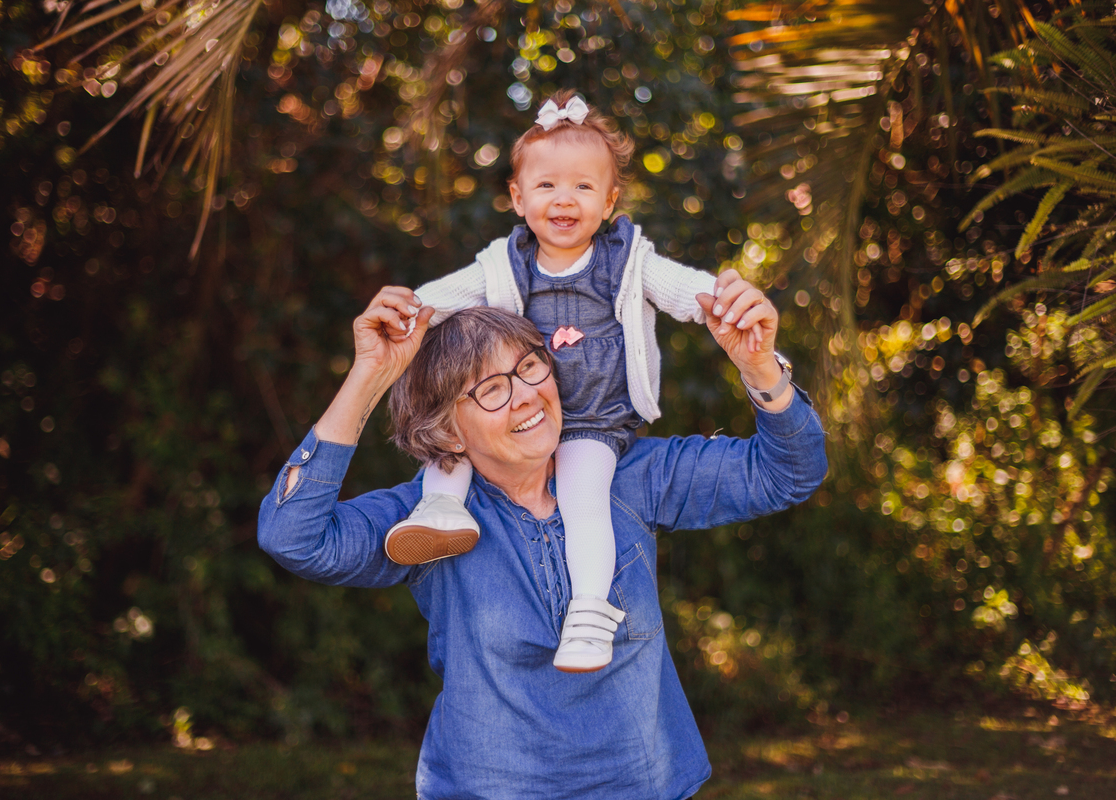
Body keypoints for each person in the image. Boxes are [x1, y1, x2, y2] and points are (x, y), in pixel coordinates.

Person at [257, 277, 827, 799]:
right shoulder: (428, 520)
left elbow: (788, 473)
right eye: (490, 390)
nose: (528, 394)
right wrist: (368, 376)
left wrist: (761, 371)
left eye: (531, 367)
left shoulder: (629, 477)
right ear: (447, 433)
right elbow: (293, 537)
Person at [382, 90, 747, 672]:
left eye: (583, 186)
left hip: (591, 424)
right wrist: (407, 310)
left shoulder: (628, 260)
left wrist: (721, 302)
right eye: (547, 185)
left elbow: (683, 289)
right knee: (456, 434)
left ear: (609, 201)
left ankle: (589, 614)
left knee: (583, 503)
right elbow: (445, 298)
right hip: (515, 412)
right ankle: (442, 511)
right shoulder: (506, 263)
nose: (564, 198)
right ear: (518, 197)